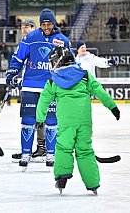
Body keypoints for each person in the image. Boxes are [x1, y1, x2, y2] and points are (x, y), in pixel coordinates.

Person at [36, 45, 120, 195]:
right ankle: (93, 184)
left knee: (63, 148)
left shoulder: (53, 81)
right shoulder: (85, 75)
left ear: (58, 61)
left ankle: (61, 178)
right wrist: (113, 107)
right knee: (85, 150)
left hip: (65, 122)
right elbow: (99, 91)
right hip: (84, 121)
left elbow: (44, 100)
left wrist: (39, 119)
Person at [6, 8, 71, 168]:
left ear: (54, 23)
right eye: (43, 24)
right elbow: (18, 57)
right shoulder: (31, 37)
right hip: (30, 86)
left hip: (51, 88)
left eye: (49, 23)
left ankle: (50, 154)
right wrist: (13, 72)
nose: (46, 26)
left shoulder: (63, 40)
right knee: (27, 121)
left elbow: (69, 64)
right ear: (40, 24)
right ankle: (26, 153)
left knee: (52, 122)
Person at [12, 18, 46, 162]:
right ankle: (27, 149)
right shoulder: (26, 42)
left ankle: (42, 147)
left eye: (27, 26)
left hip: (44, 87)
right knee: (28, 118)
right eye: (22, 27)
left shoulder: (41, 40)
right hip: (30, 86)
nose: (24, 29)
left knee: (42, 117)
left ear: (34, 28)